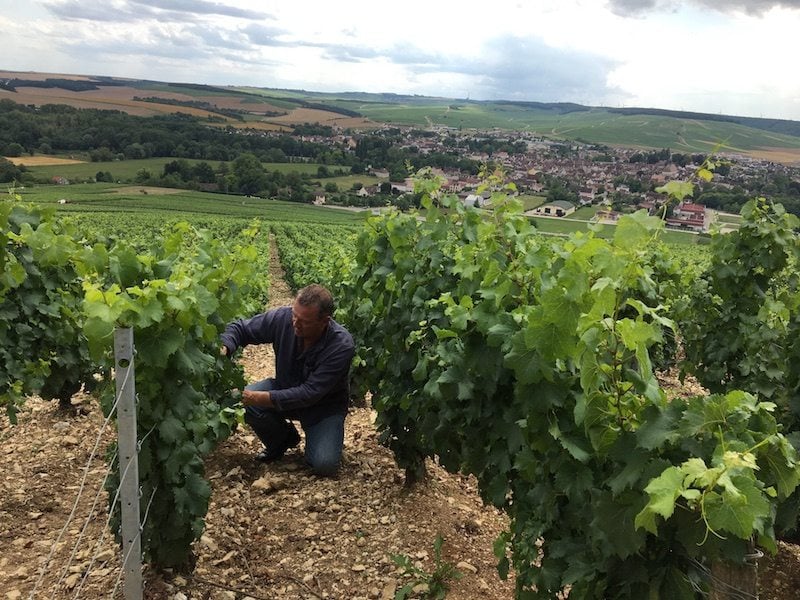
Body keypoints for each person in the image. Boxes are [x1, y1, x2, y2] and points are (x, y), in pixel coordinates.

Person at [220, 284, 355, 477]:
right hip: (284, 389)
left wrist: (256, 397)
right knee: (242, 401)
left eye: (304, 321)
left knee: (324, 465)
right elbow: (240, 328)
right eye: (294, 315)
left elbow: (309, 394)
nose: (295, 323)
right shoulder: (284, 318)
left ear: (325, 321)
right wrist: (225, 346)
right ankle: (283, 440)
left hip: (323, 409)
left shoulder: (341, 345)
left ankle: (321, 437)